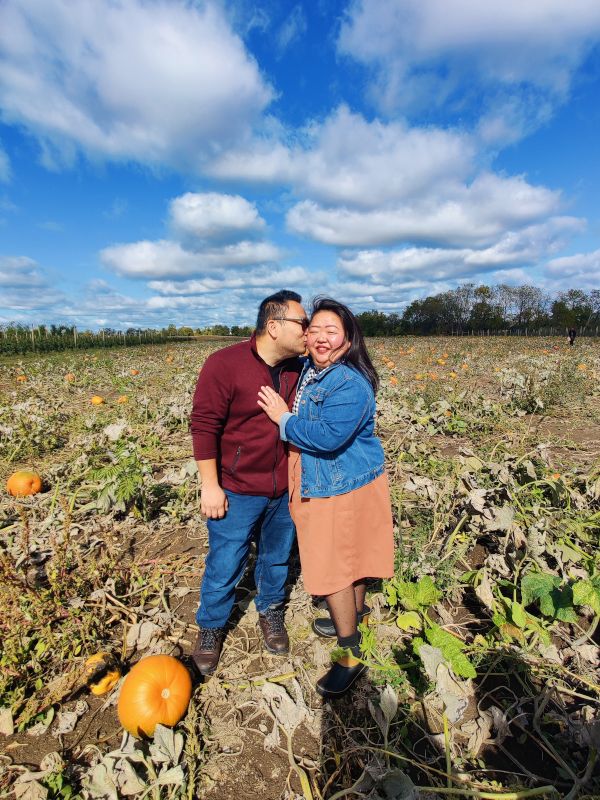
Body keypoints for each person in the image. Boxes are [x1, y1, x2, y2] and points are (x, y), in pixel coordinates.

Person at [257, 297, 395, 698]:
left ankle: (352, 656)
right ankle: (353, 617)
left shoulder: (349, 383)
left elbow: (326, 437)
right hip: (330, 482)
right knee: (350, 560)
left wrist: (282, 418)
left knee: (335, 566)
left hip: (342, 486)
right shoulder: (314, 371)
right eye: (312, 329)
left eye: (330, 330)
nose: (319, 337)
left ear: (348, 338)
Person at [190, 290, 308, 675]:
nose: (307, 331)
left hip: (283, 485)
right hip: (237, 488)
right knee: (226, 560)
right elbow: (204, 425)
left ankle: (271, 610)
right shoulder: (224, 365)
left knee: (276, 555)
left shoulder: (298, 368)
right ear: (273, 327)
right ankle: (210, 626)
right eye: (301, 323)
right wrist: (211, 484)